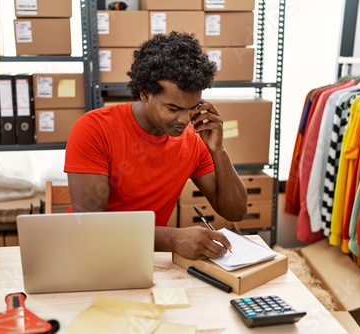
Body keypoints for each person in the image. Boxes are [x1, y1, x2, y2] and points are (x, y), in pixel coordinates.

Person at [64, 31, 247, 260]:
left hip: (144, 257)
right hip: (89, 255)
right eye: (173, 108)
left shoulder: (192, 139)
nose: (185, 119)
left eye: (192, 108)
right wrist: (174, 239)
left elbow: (235, 211)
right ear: (145, 94)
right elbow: (91, 226)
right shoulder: (94, 128)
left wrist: (218, 151)